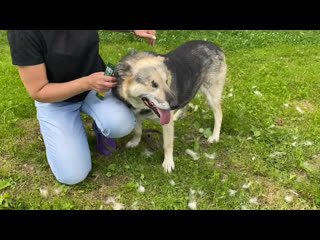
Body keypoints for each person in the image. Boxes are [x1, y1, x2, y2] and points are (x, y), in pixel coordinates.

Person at [7, 30, 156, 185]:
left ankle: (100, 129)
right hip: (56, 99)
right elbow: (38, 91)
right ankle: (52, 127)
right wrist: (86, 83)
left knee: (122, 124)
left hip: (95, 87)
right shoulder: (22, 33)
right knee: (72, 175)